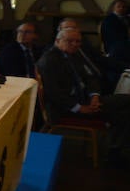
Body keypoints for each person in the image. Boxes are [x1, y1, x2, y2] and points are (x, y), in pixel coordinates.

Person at [37, 26, 130, 159]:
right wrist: (80, 108)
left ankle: (115, 149)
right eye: (70, 41)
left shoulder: (74, 55)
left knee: (125, 108)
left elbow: (90, 77)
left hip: (83, 99)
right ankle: (115, 151)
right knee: (124, 110)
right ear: (57, 41)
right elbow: (54, 94)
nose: (75, 44)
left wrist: (95, 97)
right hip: (64, 108)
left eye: (78, 41)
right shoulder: (49, 60)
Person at [101, 0, 129, 64]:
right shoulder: (109, 20)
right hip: (113, 46)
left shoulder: (125, 18)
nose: (121, 8)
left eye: (124, 7)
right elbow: (111, 37)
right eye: (118, 6)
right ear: (114, 8)